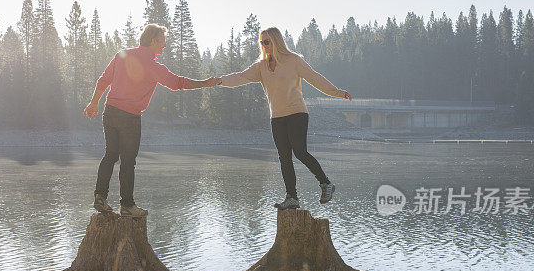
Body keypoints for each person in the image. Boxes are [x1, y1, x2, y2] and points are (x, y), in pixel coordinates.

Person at [84, 24, 219, 217]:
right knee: (128, 161)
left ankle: (100, 196)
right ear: (154, 41)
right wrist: (205, 83)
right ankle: (127, 206)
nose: (164, 45)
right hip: (129, 117)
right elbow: (178, 83)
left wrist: (93, 103)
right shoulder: (154, 66)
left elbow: (104, 79)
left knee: (111, 155)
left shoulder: (122, 55)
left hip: (110, 111)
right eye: (163, 41)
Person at [217, 27, 352, 209]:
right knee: (284, 157)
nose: (264, 45)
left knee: (299, 151)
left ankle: (325, 183)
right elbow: (240, 77)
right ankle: (292, 197)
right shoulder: (261, 66)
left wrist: (337, 92)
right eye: (262, 42)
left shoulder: (293, 61)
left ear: (276, 42)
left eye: (267, 41)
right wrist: (218, 80)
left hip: (297, 113)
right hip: (277, 117)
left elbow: (314, 78)